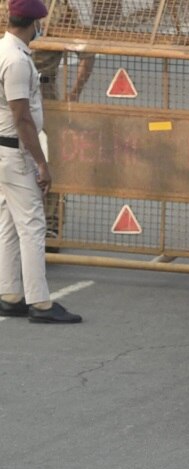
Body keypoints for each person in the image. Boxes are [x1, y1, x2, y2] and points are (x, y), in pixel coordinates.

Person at [0, 0, 80, 323]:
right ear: (33, 22)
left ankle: (10, 293)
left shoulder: (3, 50)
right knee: (33, 224)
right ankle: (41, 302)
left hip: (3, 149)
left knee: (7, 222)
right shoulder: (17, 60)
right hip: (16, 150)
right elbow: (22, 117)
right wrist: (42, 163)